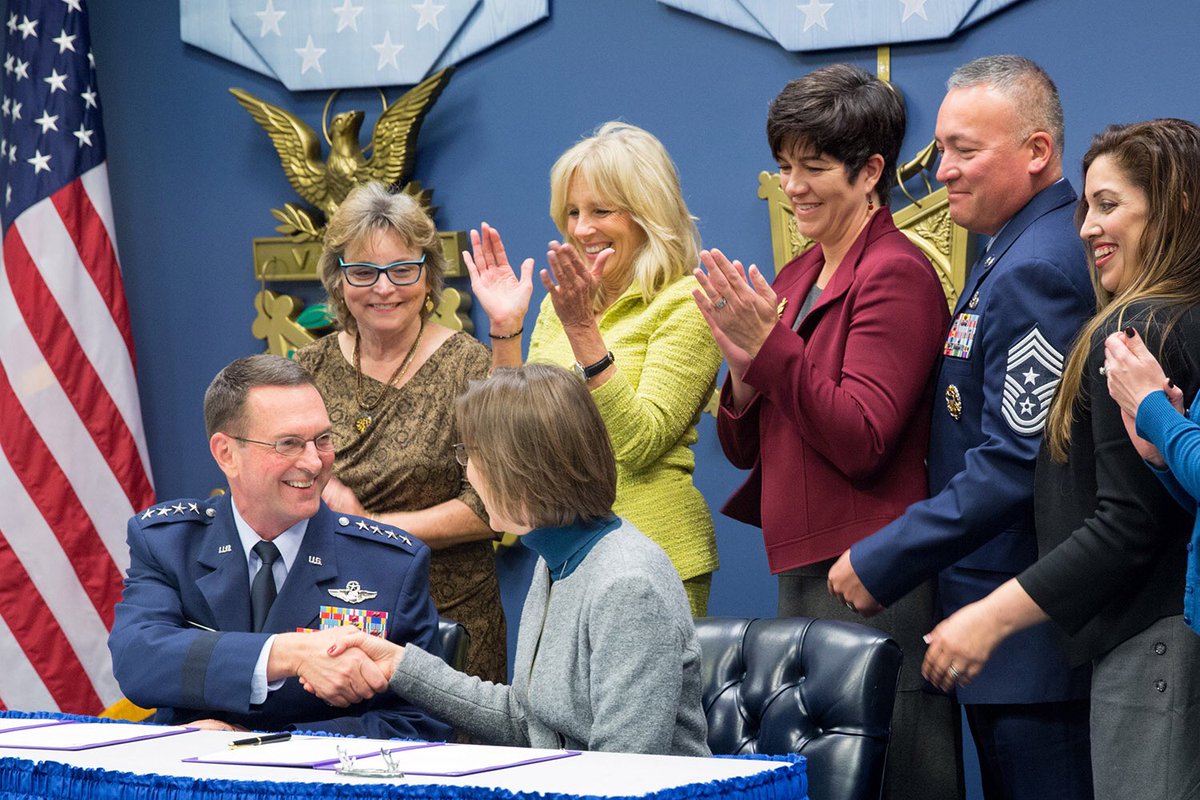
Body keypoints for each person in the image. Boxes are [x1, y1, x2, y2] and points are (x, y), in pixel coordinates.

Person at [825, 55, 1096, 799]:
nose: (941, 170)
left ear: (1037, 152)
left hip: (1031, 641)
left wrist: (887, 556)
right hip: (1002, 635)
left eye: (964, 150)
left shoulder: (1039, 267)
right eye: (941, 148)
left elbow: (1014, 462)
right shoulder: (1010, 250)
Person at [692, 63, 957, 800]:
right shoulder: (794, 275)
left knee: (895, 770)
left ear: (871, 171)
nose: (794, 186)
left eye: (813, 167)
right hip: (804, 567)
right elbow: (746, 446)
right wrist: (741, 368)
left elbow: (863, 436)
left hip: (877, 572)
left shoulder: (895, 273)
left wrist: (771, 351)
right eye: (783, 167)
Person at [922, 119, 1200, 800]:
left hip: (1152, 647)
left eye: (1109, 205)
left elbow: (1125, 527)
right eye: (1086, 207)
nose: (1085, 229)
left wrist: (992, 615)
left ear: (1174, 208)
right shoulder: (1176, 319)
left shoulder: (1137, 331)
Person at [307, 364, 711, 756]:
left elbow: (625, 768)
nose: (469, 472)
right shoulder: (555, 559)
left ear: (528, 469)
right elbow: (526, 719)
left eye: (473, 455)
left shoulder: (627, 583)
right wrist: (399, 664)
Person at [108, 355, 449, 740]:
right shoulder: (169, 543)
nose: (313, 462)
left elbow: (423, 720)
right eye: (288, 444)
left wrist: (272, 747)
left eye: (322, 440)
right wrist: (288, 655)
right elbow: (138, 659)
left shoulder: (388, 564)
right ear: (226, 453)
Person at [463, 122, 721, 616]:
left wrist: (583, 331)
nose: (582, 229)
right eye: (573, 212)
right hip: (561, 551)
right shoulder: (562, 305)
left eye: (602, 210)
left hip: (654, 553)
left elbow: (641, 442)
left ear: (650, 213)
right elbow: (515, 434)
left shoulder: (686, 303)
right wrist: (505, 329)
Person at [294, 182, 506, 685]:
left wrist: (371, 526)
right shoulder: (306, 368)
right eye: (364, 272)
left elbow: (489, 508)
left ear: (429, 278)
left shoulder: (471, 366)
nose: (384, 288)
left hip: (449, 617)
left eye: (402, 270)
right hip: (331, 616)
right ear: (338, 281)